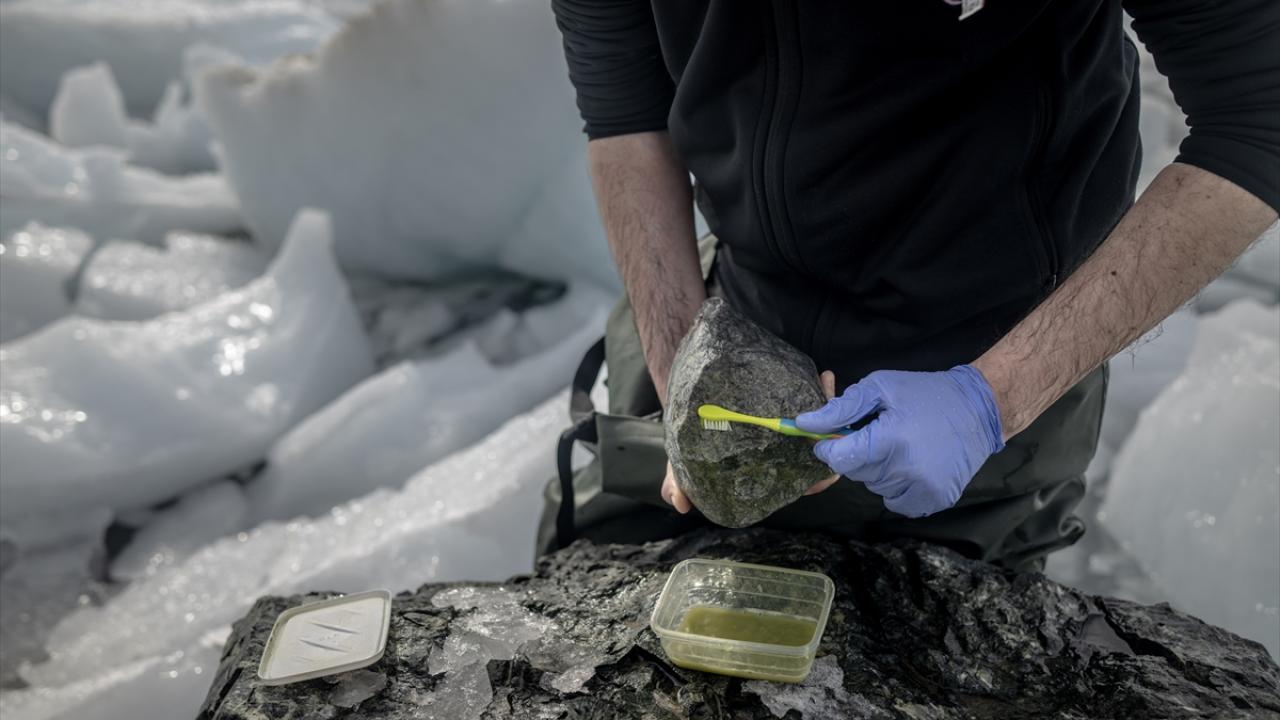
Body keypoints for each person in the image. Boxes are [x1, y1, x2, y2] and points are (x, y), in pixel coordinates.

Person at [539, 0, 1279, 571]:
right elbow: (626, 118)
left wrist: (987, 403)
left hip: (999, 356)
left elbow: (1258, 119)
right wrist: (681, 376)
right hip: (730, 309)